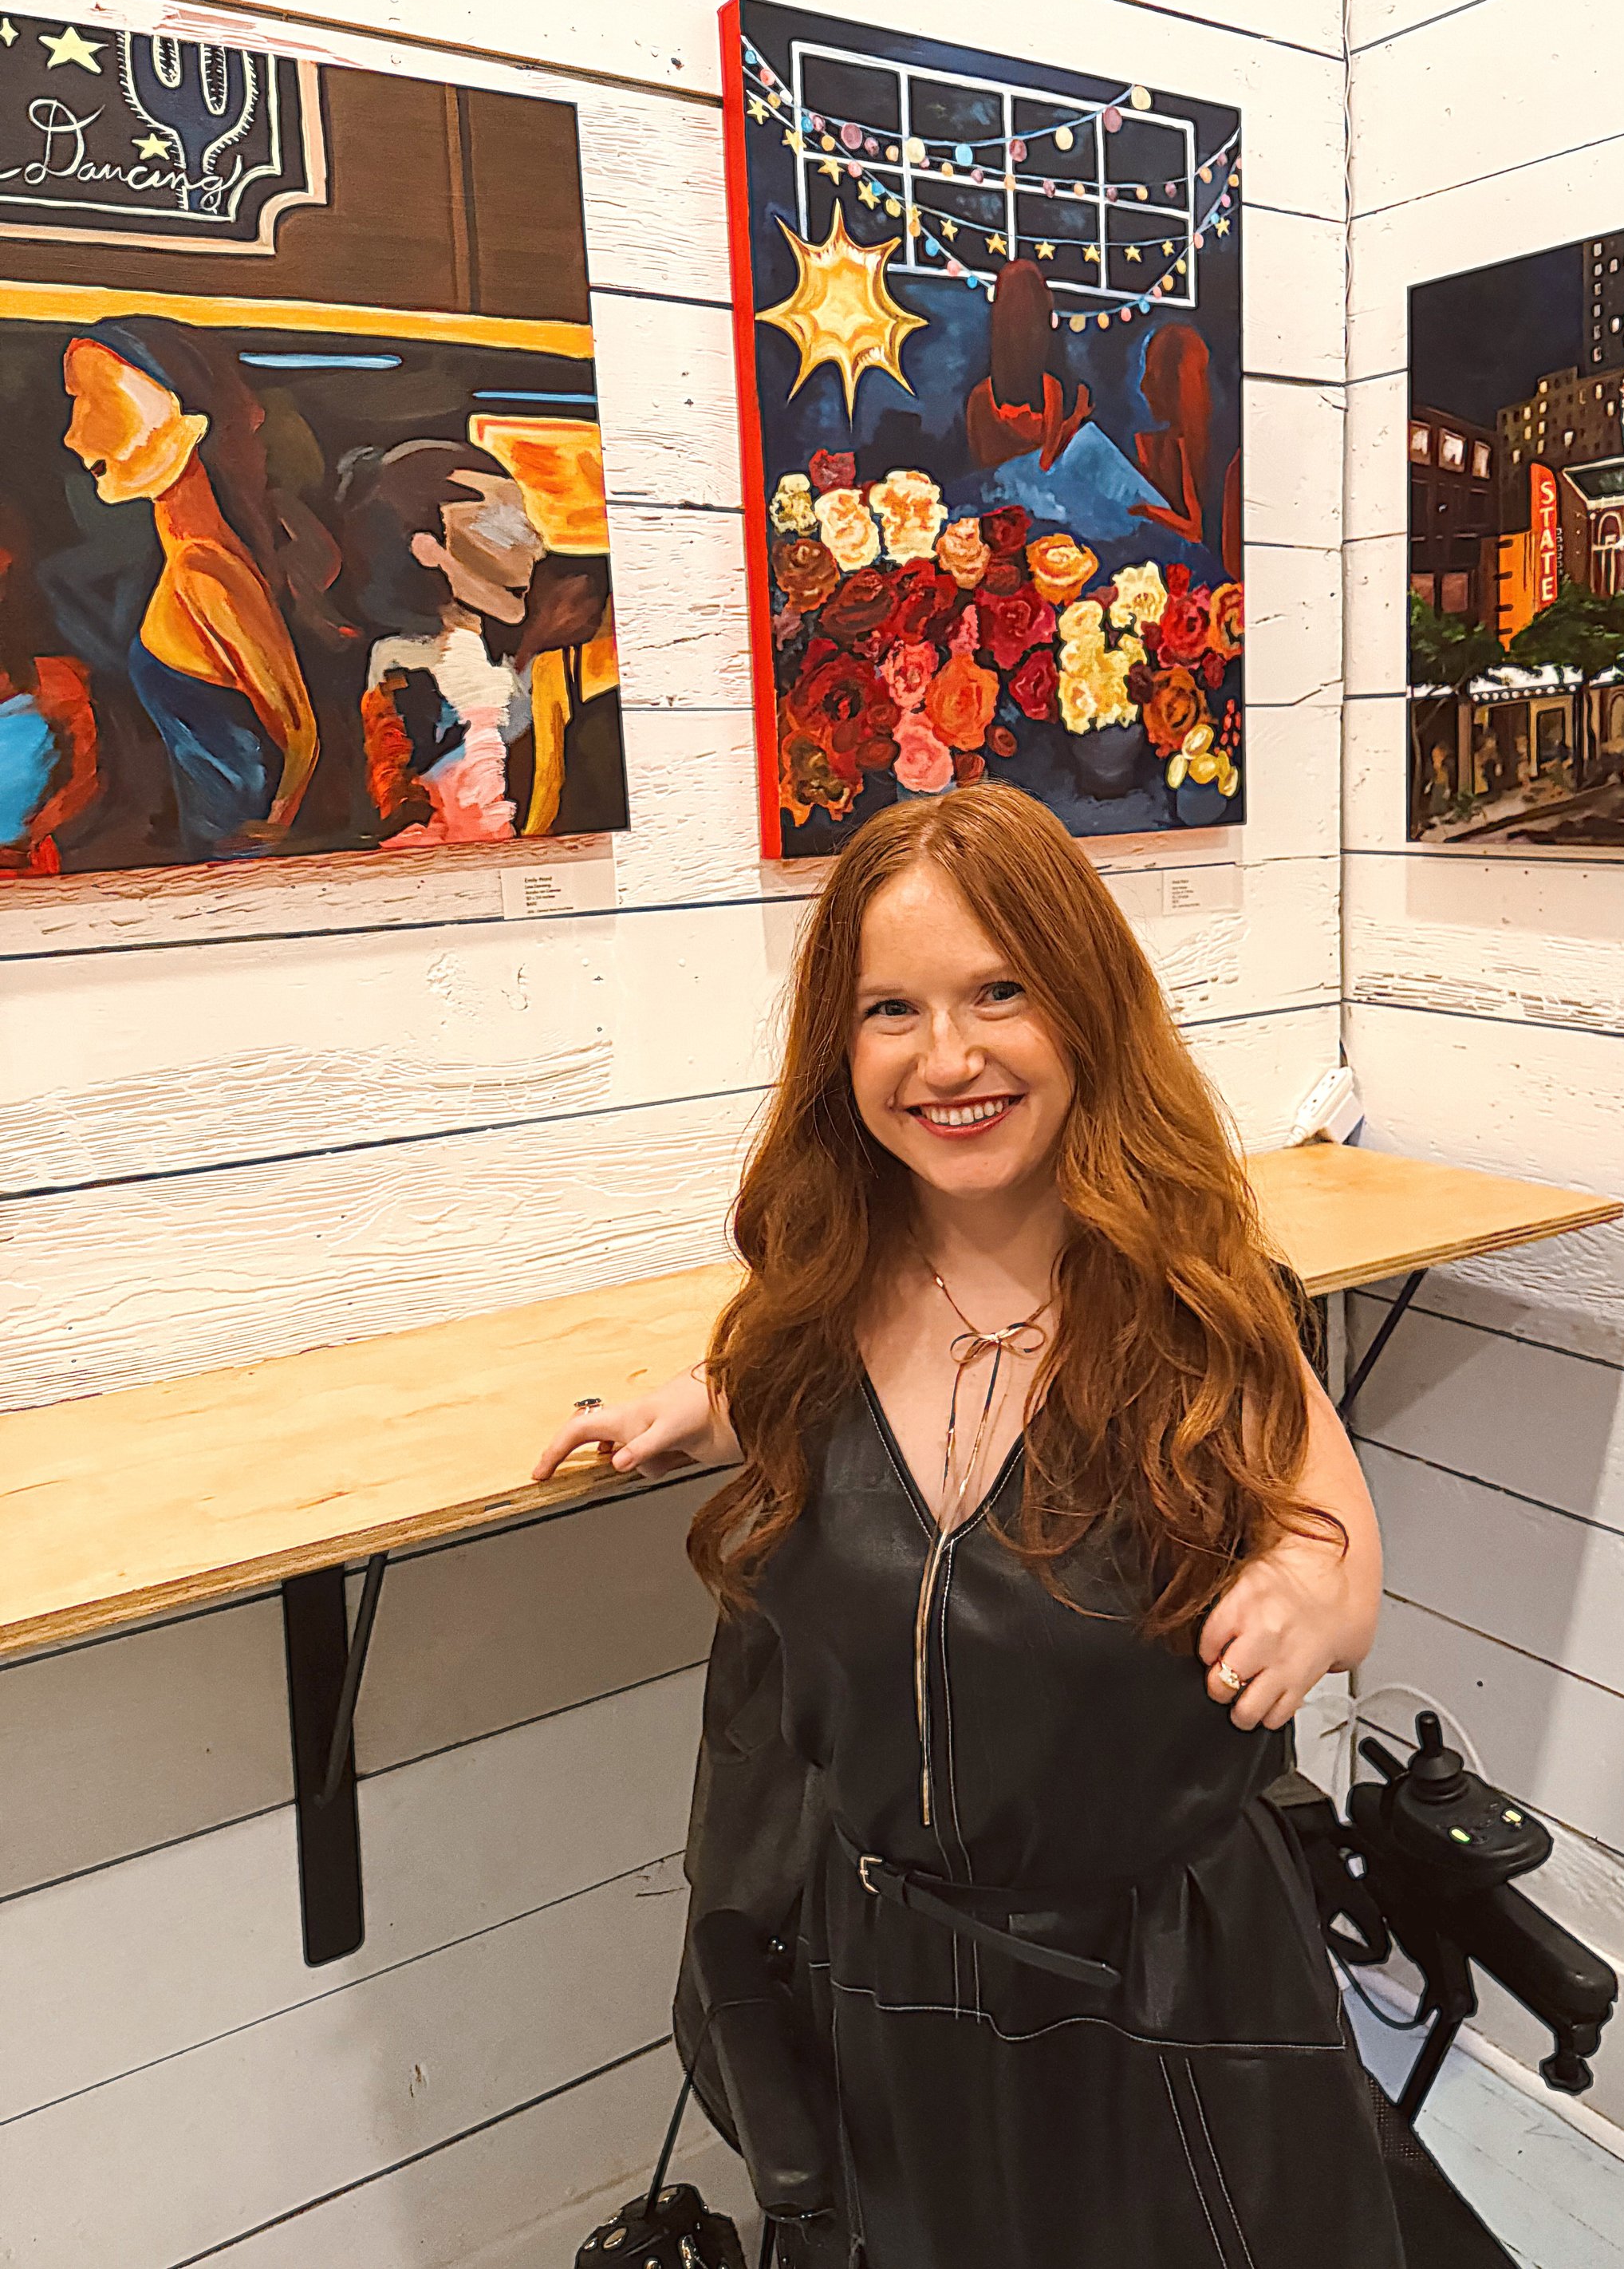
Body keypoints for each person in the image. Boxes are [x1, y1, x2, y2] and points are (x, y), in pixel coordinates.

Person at [534, 785, 1504, 2267]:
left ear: (1087, 1009)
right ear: (837, 1047)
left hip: (1165, 1993)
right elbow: (807, 1407)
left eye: (1001, 991)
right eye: (892, 1009)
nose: (951, 1056)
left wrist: (1311, 1593)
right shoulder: (818, 1303)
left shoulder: (1195, 1296)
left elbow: (1330, 1538)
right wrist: (697, 1398)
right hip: (891, 1979)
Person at [60, 323, 318, 854]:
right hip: (212, 852)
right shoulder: (186, 562)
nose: (75, 436)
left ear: (183, 418)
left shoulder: (203, 572)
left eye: (99, 399)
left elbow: (299, 730)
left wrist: (271, 834)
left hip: (231, 858)